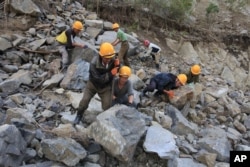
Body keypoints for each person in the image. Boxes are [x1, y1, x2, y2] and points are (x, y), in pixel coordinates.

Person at [73, 42, 120, 125]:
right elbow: (98, 79)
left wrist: (118, 66)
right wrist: (110, 74)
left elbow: (118, 70)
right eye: (106, 58)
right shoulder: (94, 63)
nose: (109, 60)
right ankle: (79, 115)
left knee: (107, 106)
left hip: (105, 87)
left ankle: (105, 122)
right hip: (93, 85)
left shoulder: (113, 59)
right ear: (101, 56)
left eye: (110, 57)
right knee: (84, 101)